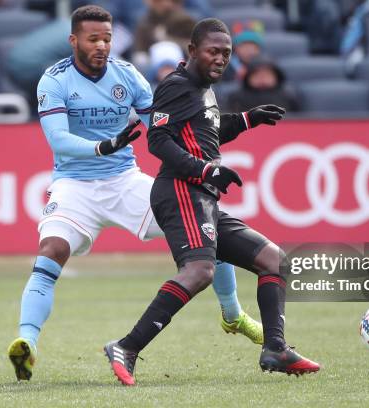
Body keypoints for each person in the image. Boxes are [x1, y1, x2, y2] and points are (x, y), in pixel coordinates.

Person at [7, 5, 263, 382]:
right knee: (51, 253)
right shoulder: (54, 79)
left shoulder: (127, 76)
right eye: (93, 39)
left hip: (126, 181)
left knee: (209, 226)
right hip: (74, 185)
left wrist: (217, 145)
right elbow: (58, 140)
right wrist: (104, 145)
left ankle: (232, 314)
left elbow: (165, 129)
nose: (102, 46)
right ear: (73, 40)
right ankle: (26, 344)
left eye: (107, 39)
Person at [103, 18, 320, 386]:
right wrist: (204, 171)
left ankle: (275, 348)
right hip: (180, 191)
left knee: (274, 260)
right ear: (192, 52)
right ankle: (126, 346)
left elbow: (207, 128)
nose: (221, 59)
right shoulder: (176, 85)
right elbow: (158, 140)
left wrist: (249, 120)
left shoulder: (203, 88)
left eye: (226, 53)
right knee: (200, 271)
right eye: (213, 51)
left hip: (201, 195)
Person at [227, 55, 300, 113]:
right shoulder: (236, 98)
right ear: (248, 78)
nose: (262, 78)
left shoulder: (288, 96)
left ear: (277, 77)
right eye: (256, 75)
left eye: (267, 75)